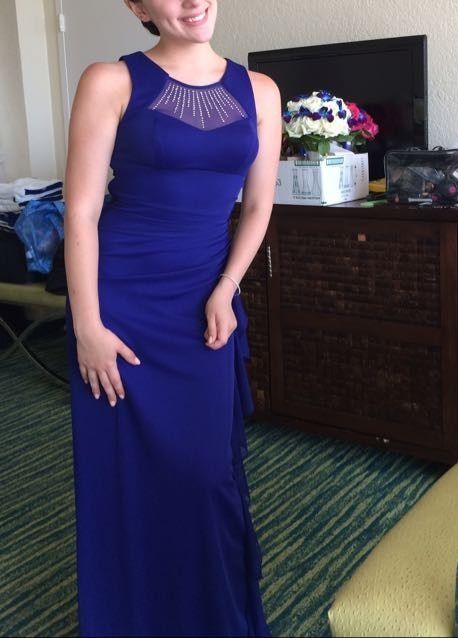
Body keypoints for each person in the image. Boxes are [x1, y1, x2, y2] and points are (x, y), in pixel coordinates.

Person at [63, 0, 281, 635]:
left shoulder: (261, 91)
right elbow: (80, 213)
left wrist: (227, 288)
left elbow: (258, 206)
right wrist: (87, 327)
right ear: (137, 6)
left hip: (202, 305)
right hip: (119, 307)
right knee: (126, 481)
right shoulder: (111, 80)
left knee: (205, 476)